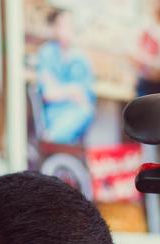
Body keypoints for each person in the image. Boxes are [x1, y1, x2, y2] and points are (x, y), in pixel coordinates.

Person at [35, 8, 96, 144]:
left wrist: (60, 90)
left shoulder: (81, 59)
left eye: (70, 25)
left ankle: (51, 140)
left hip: (76, 114)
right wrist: (72, 90)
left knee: (85, 112)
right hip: (52, 115)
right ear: (55, 28)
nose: (67, 29)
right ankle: (50, 141)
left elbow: (85, 100)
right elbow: (48, 94)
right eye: (62, 25)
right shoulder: (47, 53)